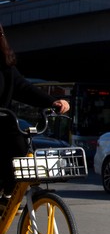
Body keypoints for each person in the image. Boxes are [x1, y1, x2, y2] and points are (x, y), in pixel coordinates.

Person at [0, 23, 71, 201]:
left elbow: (23, 87)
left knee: (20, 144)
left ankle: (8, 194)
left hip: (3, 124)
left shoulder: (5, 65)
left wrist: (52, 101)